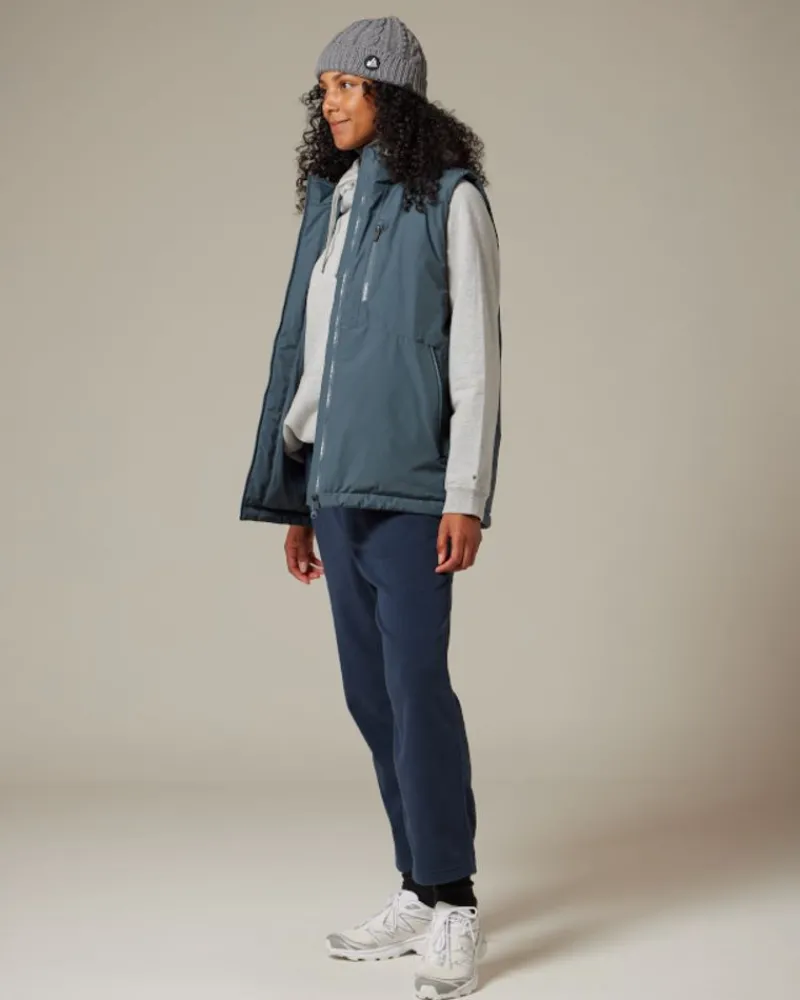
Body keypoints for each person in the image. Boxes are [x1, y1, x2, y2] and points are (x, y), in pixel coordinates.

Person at [240, 16, 501, 1000]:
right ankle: (416, 884)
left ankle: (456, 899)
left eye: (346, 85)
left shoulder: (451, 200)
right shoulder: (334, 202)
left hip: (414, 488)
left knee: (416, 686)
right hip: (336, 486)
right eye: (324, 89)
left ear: (392, 93)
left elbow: (475, 357)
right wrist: (297, 490)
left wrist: (465, 493)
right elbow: (309, 358)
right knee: (370, 695)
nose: (330, 102)